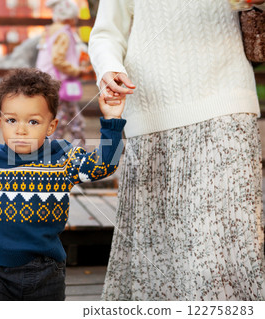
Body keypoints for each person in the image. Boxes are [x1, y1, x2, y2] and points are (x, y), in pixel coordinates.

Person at [88, 0, 265, 300]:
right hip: (152, 112)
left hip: (229, 98)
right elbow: (106, 32)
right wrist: (110, 68)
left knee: (226, 249)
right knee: (159, 256)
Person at [0, 68, 126, 301]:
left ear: (51, 126)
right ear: (0, 122)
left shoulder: (62, 158)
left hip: (47, 273)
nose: (20, 130)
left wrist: (112, 120)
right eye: (12, 120)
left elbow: (104, 165)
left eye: (33, 121)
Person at [36, 0, 88, 146]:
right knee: (62, 119)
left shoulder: (48, 31)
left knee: (72, 117)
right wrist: (77, 70)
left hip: (47, 81)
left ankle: (79, 148)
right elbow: (57, 60)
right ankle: (51, 152)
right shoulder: (64, 33)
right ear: (71, 16)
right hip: (60, 84)